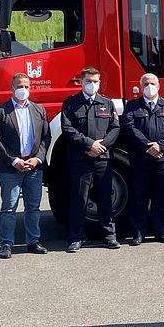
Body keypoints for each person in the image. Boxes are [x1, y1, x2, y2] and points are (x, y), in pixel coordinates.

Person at [0, 73, 52, 259]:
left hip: (34, 167)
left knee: (33, 207)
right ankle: (6, 244)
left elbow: (46, 137)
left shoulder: (39, 110)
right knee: (9, 207)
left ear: (30, 88)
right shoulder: (0, 111)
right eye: (19, 86)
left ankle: (33, 241)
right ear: (11, 88)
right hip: (10, 168)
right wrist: (14, 160)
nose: (22, 89)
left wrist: (38, 159)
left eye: (26, 86)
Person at [61, 66, 121, 252]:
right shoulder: (71, 104)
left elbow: (115, 128)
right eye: (88, 81)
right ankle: (76, 237)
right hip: (81, 158)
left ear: (99, 83)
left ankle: (109, 236)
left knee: (105, 198)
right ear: (81, 82)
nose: (92, 85)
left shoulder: (107, 103)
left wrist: (101, 146)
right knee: (79, 198)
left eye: (95, 82)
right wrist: (89, 144)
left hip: (103, 158)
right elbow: (68, 129)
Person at [122, 73, 164, 245]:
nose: (149, 86)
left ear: (158, 86)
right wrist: (148, 146)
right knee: (139, 197)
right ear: (141, 87)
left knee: (162, 197)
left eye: (152, 83)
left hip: (161, 160)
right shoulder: (132, 107)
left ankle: (161, 231)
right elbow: (129, 128)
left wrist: (160, 146)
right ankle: (138, 233)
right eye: (146, 84)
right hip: (140, 159)